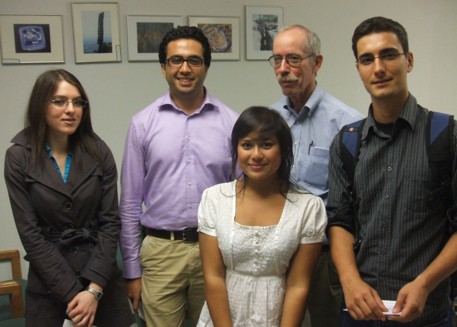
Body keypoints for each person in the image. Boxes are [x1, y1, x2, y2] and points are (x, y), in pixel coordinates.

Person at [327, 16, 457, 326]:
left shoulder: (445, 136)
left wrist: (425, 283)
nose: (379, 68)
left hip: (428, 314)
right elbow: (340, 219)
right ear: (358, 69)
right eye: (367, 59)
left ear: (408, 60)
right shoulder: (347, 142)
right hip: (361, 312)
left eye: (388, 55)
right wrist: (350, 281)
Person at [119, 25, 239, 327]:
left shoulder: (232, 123)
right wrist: (132, 269)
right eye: (176, 60)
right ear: (163, 68)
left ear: (206, 67)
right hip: (160, 252)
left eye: (194, 61)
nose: (185, 68)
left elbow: (242, 198)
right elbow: (130, 203)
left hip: (214, 249)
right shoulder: (142, 124)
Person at [3, 69, 134, 327]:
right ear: (41, 104)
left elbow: (110, 224)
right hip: (50, 285)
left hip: (101, 281)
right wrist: (76, 295)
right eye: (60, 101)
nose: (71, 109)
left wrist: (93, 290)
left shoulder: (98, 151)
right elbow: (31, 235)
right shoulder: (18, 157)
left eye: (78, 102)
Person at [196, 106, 326, 326]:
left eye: (267, 145)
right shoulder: (215, 199)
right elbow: (213, 278)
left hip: (281, 317)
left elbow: (298, 285)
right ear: (236, 150)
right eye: (247, 145)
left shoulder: (308, 207)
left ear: (283, 150)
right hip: (223, 317)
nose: (256, 155)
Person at [268, 24, 363, 327]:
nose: (284, 69)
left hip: (324, 255)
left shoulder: (348, 124)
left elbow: (357, 199)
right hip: (275, 250)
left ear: (316, 63)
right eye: (277, 60)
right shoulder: (269, 120)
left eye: (293, 59)